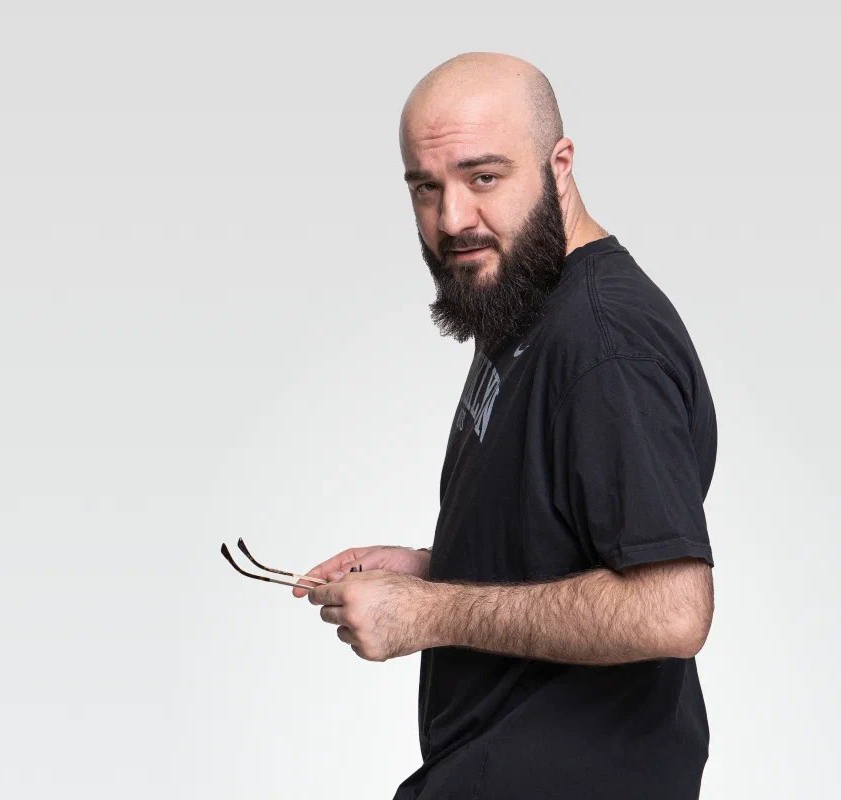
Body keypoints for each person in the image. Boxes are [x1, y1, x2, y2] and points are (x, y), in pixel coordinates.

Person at [291, 51, 718, 799]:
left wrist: (432, 611)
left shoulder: (606, 343)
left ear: (560, 166)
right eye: (426, 188)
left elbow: (671, 609)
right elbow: (571, 544)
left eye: (483, 177)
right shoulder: (525, 295)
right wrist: (439, 567)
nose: (453, 219)